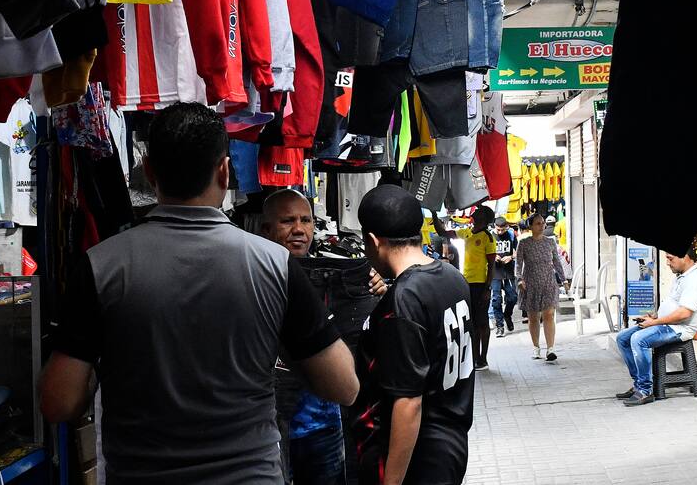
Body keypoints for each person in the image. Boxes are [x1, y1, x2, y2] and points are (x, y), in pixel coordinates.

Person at [39, 103, 359, 484]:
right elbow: (343, 386)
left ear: (151, 173)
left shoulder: (100, 266)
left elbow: (58, 402)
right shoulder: (274, 265)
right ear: (225, 170)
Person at [261, 188, 385, 485]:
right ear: (266, 229)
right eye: (287, 221)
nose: (299, 229)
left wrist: (376, 286)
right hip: (276, 423)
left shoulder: (333, 271)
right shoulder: (255, 272)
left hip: (328, 423)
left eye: (306, 220)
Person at [353, 184, 474, 485]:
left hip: (418, 456)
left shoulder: (405, 298)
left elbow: (409, 402)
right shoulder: (452, 277)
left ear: (372, 241)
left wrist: (391, 481)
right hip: (452, 444)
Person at [616, 245, 697, 406]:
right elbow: (672, 305)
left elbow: (684, 314)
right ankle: (639, 382)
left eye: (670, 258)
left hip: (680, 329)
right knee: (622, 338)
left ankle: (645, 390)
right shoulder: (681, 276)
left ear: (684, 257)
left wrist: (655, 322)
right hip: (666, 323)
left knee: (638, 339)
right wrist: (654, 316)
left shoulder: (696, 280)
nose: (667, 262)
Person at [431, 206, 496, 370]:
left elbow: (492, 265)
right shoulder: (467, 232)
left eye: (479, 211)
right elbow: (443, 233)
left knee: (482, 322)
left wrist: (487, 288)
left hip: (481, 285)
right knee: (472, 322)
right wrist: (433, 213)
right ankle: (474, 358)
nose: (474, 212)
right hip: (467, 283)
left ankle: (483, 359)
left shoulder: (487, 238)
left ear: (484, 218)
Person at [515, 213, 567, 362]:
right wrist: (519, 279)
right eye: (538, 223)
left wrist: (563, 280)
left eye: (543, 223)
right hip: (530, 283)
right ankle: (536, 347)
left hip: (548, 282)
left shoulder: (550, 242)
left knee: (549, 314)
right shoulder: (524, 243)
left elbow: (557, 262)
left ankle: (550, 349)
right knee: (533, 317)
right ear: (530, 226)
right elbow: (518, 264)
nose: (541, 225)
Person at [492, 217, 518, 338]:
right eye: (498, 229)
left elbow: (517, 251)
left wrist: (511, 258)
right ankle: (500, 325)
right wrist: (494, 256)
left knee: (513, 298)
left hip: (508, 272)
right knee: (496, 300)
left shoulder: (511, 235)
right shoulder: (490, 236)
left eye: (502, 230)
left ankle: (507, 315)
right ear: (494, 227)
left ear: (506, 227)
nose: (500, 232)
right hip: (495, 272)